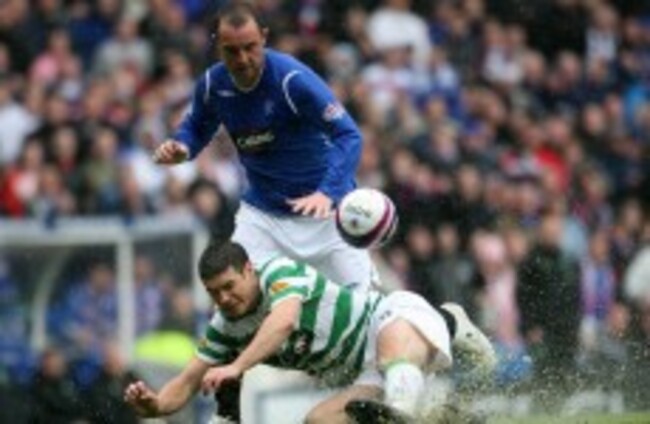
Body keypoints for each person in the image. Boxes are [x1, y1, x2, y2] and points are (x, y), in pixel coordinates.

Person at [124, 241, 497, 423]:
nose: (223, 299)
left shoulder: (278, 273)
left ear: (249, 270)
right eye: (213, 293)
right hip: (364, 375)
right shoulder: (225, 325)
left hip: (389, 319)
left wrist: (236, 366)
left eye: (228, 286)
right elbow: (187, 380)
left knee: (392, 355)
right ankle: (439, 418)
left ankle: (450, 322)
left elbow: (283, 321)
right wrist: (156, 406)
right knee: (318, 422)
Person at [152, 1, 374, 293]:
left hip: (325, 216)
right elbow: (196, 126)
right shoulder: (211, 85)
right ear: (218, 45)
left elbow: (348, 134)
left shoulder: (292, 80)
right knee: (235, 299)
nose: (243, 59)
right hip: (264, 218)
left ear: (264, 37)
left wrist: (327, 192)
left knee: (361, 307)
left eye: (250, 47)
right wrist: (183, 146)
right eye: (232, 50)